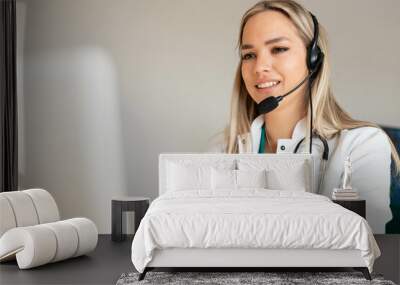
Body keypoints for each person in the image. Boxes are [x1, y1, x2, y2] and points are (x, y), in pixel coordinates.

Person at [208, 0, 400, 234]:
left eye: (278, 49)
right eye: (249, 54)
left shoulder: (362, 145)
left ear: (314, 60)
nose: (260, 66)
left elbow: (363, 239)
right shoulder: (223, 150)